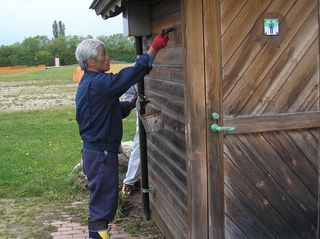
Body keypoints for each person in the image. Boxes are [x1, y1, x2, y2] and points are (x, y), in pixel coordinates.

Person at [75, 31, 169, 239]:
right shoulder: (99, 83)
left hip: (97, 153)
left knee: (103, 203)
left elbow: (106, 111)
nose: (107, 58)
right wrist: (153, 49)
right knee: (102, 207)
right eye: (103, 54)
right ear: (91, 61)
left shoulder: (90, 84)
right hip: (101, 156)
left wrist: (131, 104)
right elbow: (129, 75)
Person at [122, 85, 141, 197]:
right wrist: (134, 102)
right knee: (139, 144)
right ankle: (129, 182)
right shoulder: (136, 68)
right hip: (145, 112)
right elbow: (129, 97)